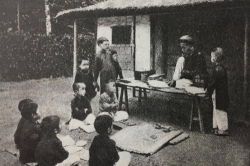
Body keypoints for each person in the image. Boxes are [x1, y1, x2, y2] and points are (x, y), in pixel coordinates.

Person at [206, 47, 229, 136]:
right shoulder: (221, 68)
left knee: (219, 110)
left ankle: (223, 129)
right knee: (216, 109)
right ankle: (216, 127)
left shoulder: (217, 69)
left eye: (211, 56)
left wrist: (208, 89)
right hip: (219, 92)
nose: (211, 58)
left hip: (219, 93)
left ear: (215, 58)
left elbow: (214, 82)